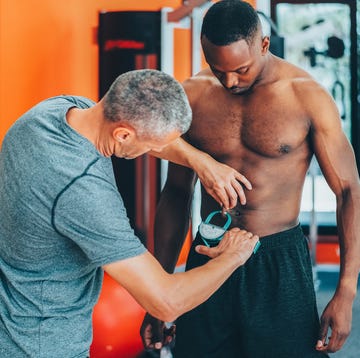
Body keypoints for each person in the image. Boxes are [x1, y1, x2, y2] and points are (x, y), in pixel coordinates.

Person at [140, 1, 360, 357]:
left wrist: (347, 290)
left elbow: (349, 191)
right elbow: (177, 193)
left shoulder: (306, 96)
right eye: (217, 68)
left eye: (240, 69)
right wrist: (160, 291)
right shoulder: (192, 96)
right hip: (209, 254)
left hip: (277, 260)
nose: (229, 81)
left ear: (264, 44)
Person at [0, 69, 260, 357]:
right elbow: (166, 301)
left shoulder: (56, 111)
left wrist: (200, 161)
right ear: (123, 134)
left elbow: (152, 137)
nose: (159, 150)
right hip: (41, 343)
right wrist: (234, 255)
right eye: (153, 146)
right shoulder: (82, 191)